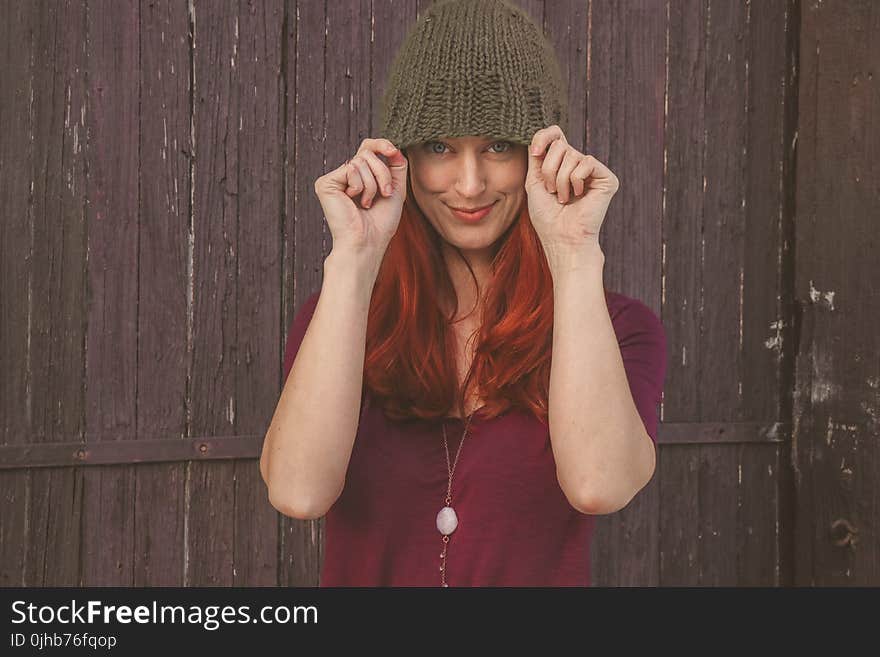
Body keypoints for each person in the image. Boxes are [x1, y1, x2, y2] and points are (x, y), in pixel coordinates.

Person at [261, 0, 667, 587]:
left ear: (542, 155)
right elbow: (299, 493)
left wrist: (575, 253)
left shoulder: (619, 327)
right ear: (401, 157)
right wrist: (353, 258)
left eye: (499, 146)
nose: (470, 185)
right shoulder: (340, 319)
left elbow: (600, 485)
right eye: (441, 148)